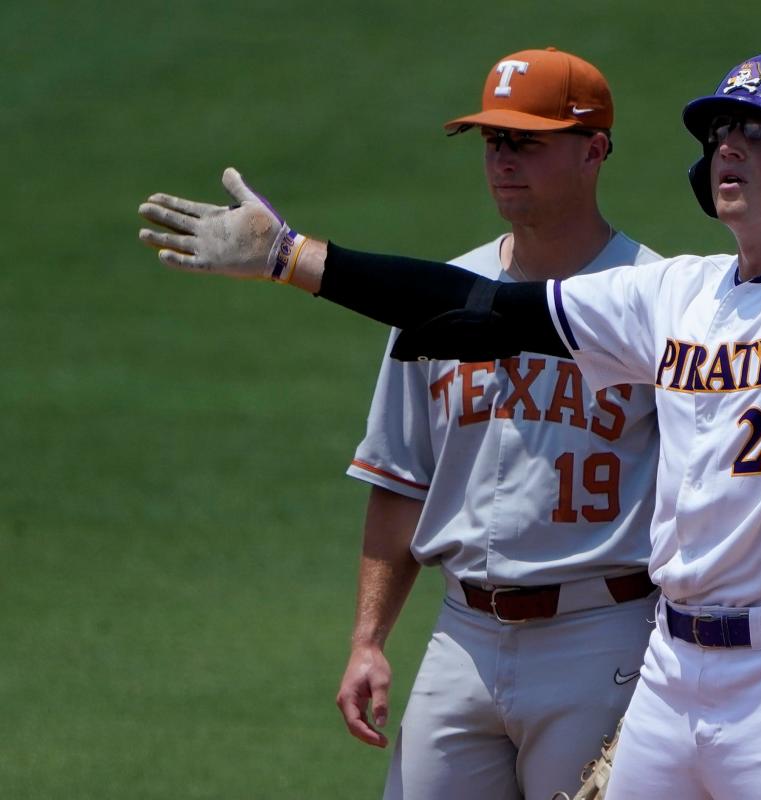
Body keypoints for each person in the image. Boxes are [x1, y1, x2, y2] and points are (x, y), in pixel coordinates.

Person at [138, 51, 761, 800]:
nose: (727, 147)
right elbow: (482, 307)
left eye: (759, 133)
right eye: (720, 132)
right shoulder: (673, 294)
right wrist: (292, 257)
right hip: (671, 673)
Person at [150, 47, 664, 800]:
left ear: (594, 151)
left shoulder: (658, 301)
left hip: (603, 638)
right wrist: (368, 639)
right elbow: (399, 482)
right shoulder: (430, 300)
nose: (502, 160)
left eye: (526, 141)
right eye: (492, 141)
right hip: (464, 636)